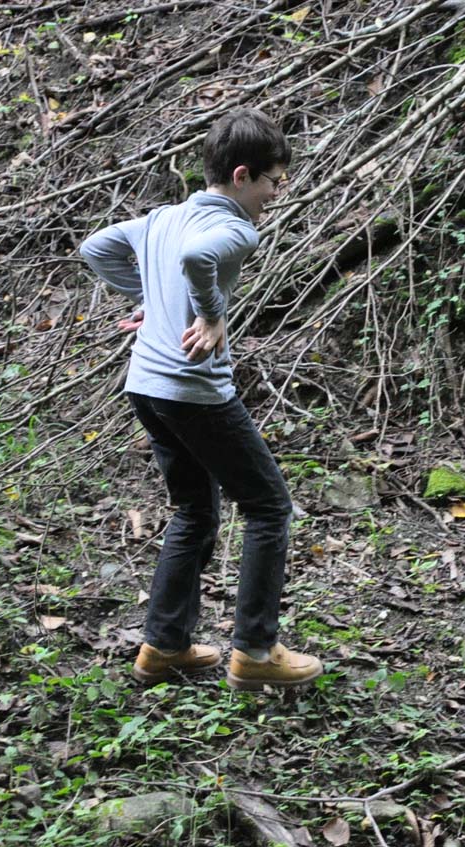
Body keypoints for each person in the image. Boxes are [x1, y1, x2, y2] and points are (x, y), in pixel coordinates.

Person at [78, 108, 322, 689]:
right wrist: (210, 315)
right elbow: (197, 260)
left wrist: (150, 298)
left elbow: (95, 248)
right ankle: (256, 653)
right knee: (269, 508)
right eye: (273, 182)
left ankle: (164, 647)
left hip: (146, 386)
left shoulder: (162, 218)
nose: (275, 194)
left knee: (195, 510)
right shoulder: (237, 229)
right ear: (242, 176)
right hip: (193, 391)